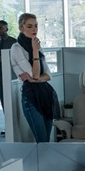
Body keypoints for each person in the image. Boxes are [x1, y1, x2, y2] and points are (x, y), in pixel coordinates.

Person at [10, 12, 58, 143]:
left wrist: (37, 79)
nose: (34, 29)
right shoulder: (16, 48)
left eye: (36, 26)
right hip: (31, 97)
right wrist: (35, 51)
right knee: (42, 140)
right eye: (30, 26)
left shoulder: (37, 45)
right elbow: (34, 75)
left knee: (47, 140)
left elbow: (48, 74)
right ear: (21, 28)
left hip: (45, 94)